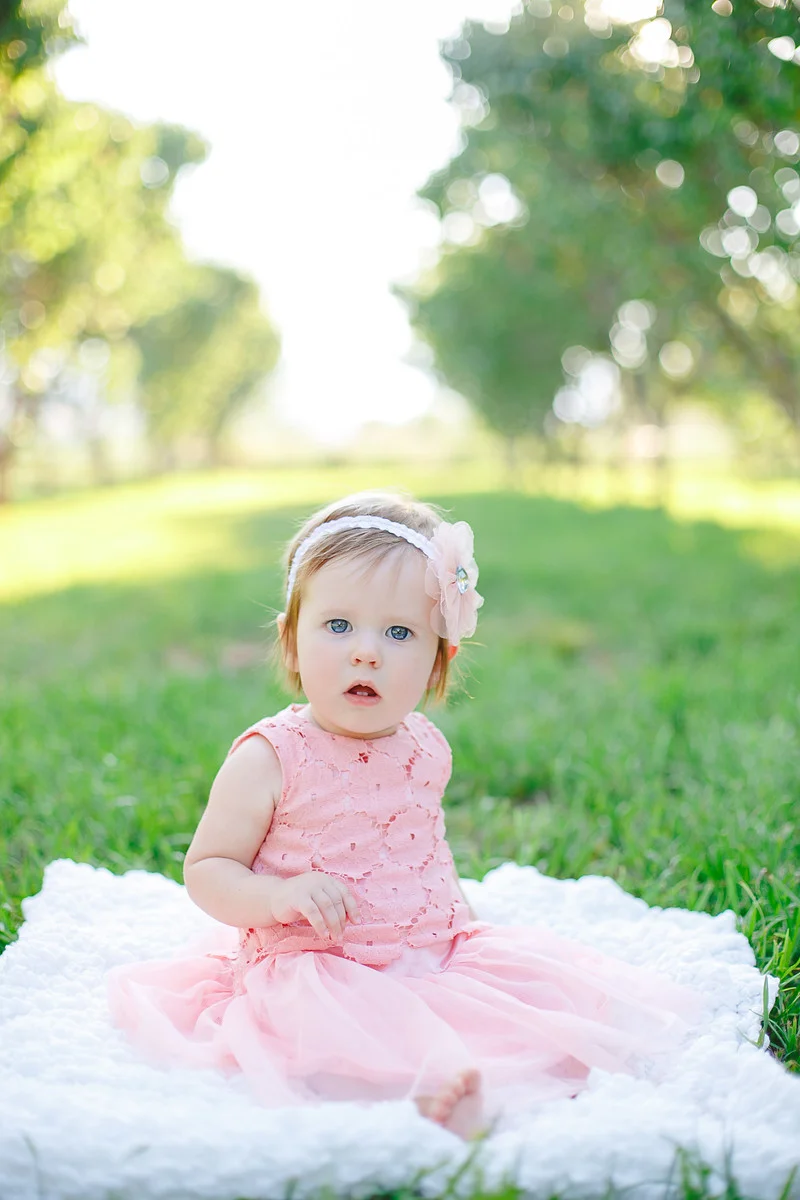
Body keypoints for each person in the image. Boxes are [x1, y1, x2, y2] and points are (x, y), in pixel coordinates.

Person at [107, 490, 701, 1138]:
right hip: (318, 967)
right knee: (337, 1038)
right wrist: (279, 897)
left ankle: (480, 1079)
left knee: (513, 1015)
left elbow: (421, 849)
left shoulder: (424, 747)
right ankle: (418, 1097)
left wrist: (458, 924)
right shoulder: (271, 757)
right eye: (338, 626)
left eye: (399, 633)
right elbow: (208, 868)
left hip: (424, 949)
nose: (367, 652)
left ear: (439, 661)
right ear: (291, 642)